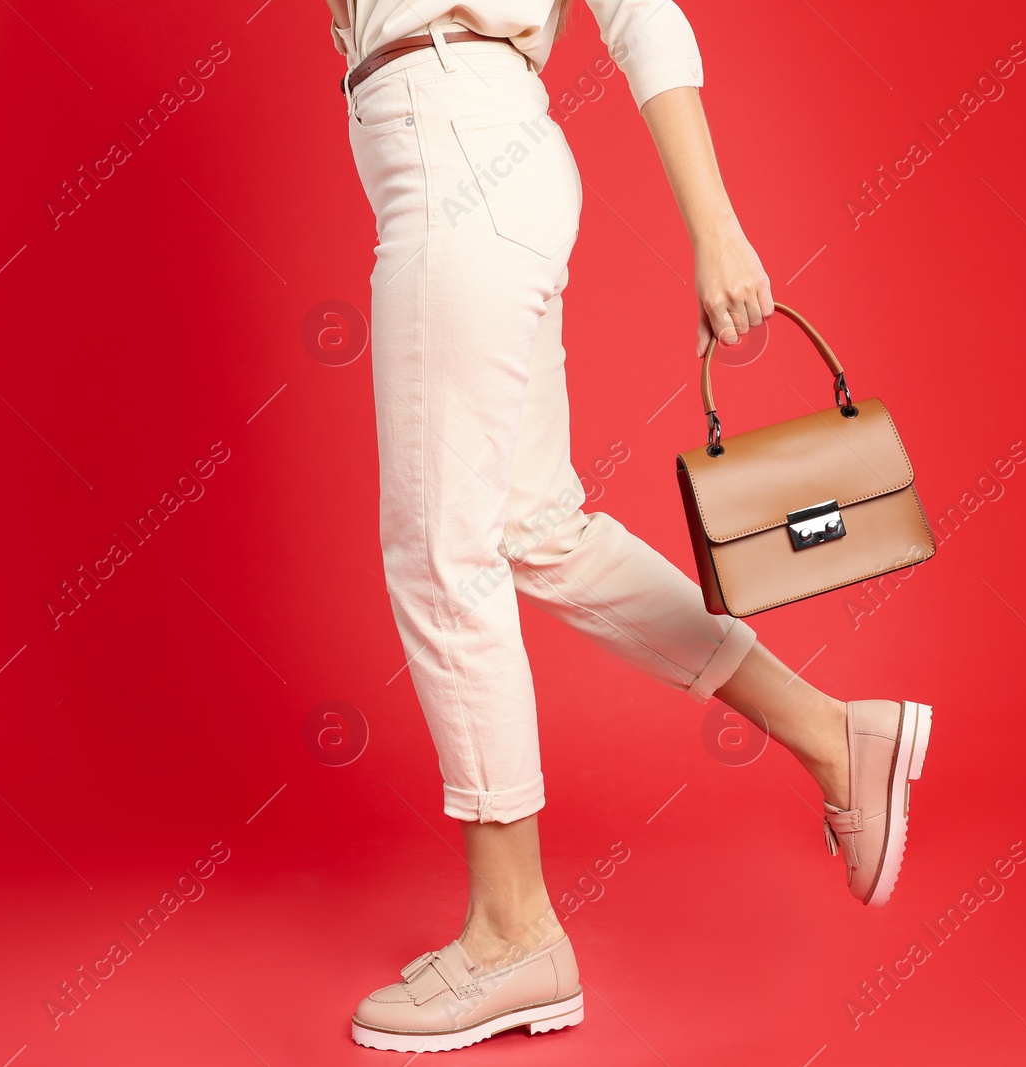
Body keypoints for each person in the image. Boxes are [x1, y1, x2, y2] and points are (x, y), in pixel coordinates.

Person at [327, 0, 935, 1052]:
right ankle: (835, 732)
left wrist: (717, 231)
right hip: (473, 139)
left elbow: (639, 11)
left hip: (454, 135)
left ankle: (512, 930)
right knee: (534, 528)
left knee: (440, 551)